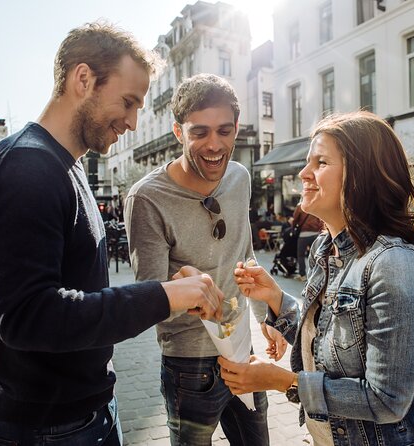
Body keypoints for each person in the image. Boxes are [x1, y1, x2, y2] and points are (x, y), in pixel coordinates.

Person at [0, 22, 226, 446]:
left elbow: (74, 290)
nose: (132, 121)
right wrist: (163, 297)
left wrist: (165, 289)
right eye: (128, 102)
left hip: (79, 415)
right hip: (48, 429)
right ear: (83, 79)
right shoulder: (27, 168)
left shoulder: (65, 164)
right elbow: (27, 317)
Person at [221, 111, 414, 446]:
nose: (304, 173)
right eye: (308, 161)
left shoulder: (394, 265)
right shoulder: (325, 248)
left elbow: (388, 399)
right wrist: (276, 299)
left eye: (321, 163)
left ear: (361, 177)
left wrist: (281, 380)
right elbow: (332, 333)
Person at [124, 73, 285, 445]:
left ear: (236, 129)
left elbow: (244, 253)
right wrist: (189, 292)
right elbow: (147, 299)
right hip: (188, 367)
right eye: (200, 133)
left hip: (241, 351)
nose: (214, 145)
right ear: (178, 132)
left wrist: (267, 317)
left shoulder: (239, 177)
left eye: (224, 131)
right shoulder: (146, 198)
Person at [292, 203, 323, 281]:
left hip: (303, 235)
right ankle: (317, 276)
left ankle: (303, 275)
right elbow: (321, 219)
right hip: (316, 234)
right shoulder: (316, 205)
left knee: (301, 255)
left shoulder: (300, 206)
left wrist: (293, 229)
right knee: (317, 255)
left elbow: (295, 220)